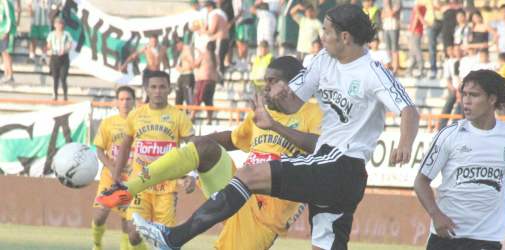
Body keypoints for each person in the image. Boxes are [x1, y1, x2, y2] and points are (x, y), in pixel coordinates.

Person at [99, 4, 419, 249]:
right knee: (326, 244)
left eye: (326, 30)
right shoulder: (323, 60)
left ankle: (175, 237)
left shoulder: (373, 71)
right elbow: (293, 101)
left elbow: (408, 109)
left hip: (342, 165)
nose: (322, 35)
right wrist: (276, 102)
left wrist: (405, 142)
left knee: (250, 175)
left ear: (345, 37)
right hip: (329, 170)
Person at [99, 56, 323, 250]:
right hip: (237, 189)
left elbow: (321, 147)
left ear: (291, 85)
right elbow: (233, 139)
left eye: (272, 81)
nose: (265, 88)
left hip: (265, 216)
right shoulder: (259, 115)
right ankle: (127, 190)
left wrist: (274, 125)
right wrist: (196, 145)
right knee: (206, 149)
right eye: (265, 82)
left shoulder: (313, 113)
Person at [414, 69, 505, 250]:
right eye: (464, 94)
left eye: (474, 95)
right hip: (447, 236)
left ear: (492, 99)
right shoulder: (449, 135)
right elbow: (421, 181)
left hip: (487, 237)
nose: (466, 101)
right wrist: (436, 214)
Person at [106, 71, 196, 250]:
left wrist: (191, 175)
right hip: (140, 185)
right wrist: (116, 177)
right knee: (133, 232)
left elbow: (194, 147)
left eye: (162, 87)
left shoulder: (178, 117)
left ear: (169, 89)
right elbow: (125, 146)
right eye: (153, 87)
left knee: (167, 241)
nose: (158, 91)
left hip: (167, 189)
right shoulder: (136, 115)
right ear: (146, 89)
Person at [91, 86, 136, 250]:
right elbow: (99, 149)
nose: (125, 102)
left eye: (128, 99)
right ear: (116, 102)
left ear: (134, 101)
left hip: (130, 180)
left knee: (127, 222)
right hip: (110, 178)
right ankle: (97, 244)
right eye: (122, 99)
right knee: (100, 215)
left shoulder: (139, 122)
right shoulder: (108, 123)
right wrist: (112, 168)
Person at [192, 41, 219, 124]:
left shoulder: (203, 55)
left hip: (203, 80)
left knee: (198, 99)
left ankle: (192, 116)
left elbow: (195, 64)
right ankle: (209, 119)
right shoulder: (216, 56)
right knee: (209, 101)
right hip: (212, 81)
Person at [46, 17, 72, 101]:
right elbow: (48, 45)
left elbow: (69, 45)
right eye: (57, 23)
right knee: (55, 77)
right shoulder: (51, 34)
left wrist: (64, 49)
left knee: (63, 77)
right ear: (54, 25)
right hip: (54, 57)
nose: (59, 25)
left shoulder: (66, 34)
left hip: (63, 57)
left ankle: (65, 95)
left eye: (60, 23)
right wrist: (50, 49)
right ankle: (55, 95)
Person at [438, 46, 462, 129]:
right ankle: (441, 126)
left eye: (459, 50)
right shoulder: (449, 62)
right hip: (454, 88)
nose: (458, 52)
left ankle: (454, 125)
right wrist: (452, 88)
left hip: (462, 89)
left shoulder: (465, 61)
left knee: (460, 106)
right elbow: (448, 78)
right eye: (456, 50)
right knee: (448, 104)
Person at [0, 0, 18, 83]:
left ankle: (10, 75)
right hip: (1, 31)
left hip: (6, 32)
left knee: (6, 53)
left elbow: (9, 18)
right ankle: (6, 73)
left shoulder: (5, 2)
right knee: (3, 54)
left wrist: (7, 31)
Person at [174, 38, 195, 106]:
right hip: (182, 75)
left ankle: (190, 113)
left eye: (177, 45)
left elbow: (192, 65)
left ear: (181, 43)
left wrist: (182, 69)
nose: (177, 47)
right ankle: (177, 114)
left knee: (188, 98)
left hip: (188, 75)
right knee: (178, 97)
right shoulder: (182, 52)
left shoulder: (187, 50)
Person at [382, 0, 401, 72]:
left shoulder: (397, 2)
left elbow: (391, 13)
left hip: (394, 27)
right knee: (388, 49)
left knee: (394, 49)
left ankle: (395, 68)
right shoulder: (385, 4)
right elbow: (382, 15)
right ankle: (389, 67)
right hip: (386, 27)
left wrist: (387, 4)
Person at [408, 1, 426, 78]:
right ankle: (412, 69)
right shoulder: (423, 7)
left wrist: (412, 29)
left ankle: (420, 69)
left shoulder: (419, 7)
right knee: (414, 51)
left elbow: (416, 17)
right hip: (417, 30)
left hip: (415, 31)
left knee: (416, 51)